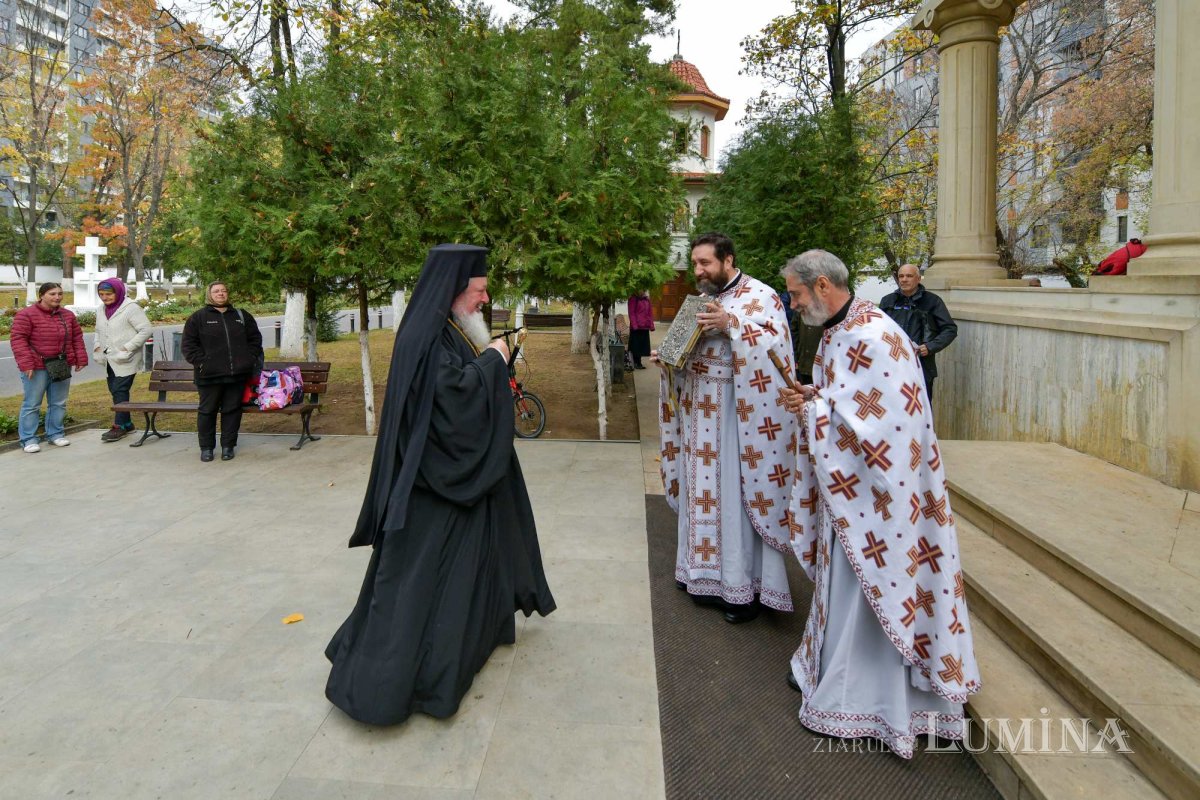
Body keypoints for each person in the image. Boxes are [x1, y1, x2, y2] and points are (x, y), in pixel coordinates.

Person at [325, 244, 556, 727]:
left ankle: (467, 646)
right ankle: (391, 685)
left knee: (463, 573)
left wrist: (489, 361)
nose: (485, 299)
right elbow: (454, 404)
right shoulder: (426, 336)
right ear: (453, 290)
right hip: (435, 485)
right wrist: (493, 360)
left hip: (452, 479)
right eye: (479, 290)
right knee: (417, 585)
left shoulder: (446, 327)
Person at [778, 249, 980, 758]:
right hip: (852, 491)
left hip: (881, 500)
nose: (793, 303)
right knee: (843, 588)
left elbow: (888, 426)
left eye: (797, 294)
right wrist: (815, 398)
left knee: (868, 591)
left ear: (822, 286)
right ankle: (828, 670)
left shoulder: (875, 335)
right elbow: (846, 400)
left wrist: (816, 409)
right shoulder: (839, 330)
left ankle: (868, 700)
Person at [655, 232, 796, 624]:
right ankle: (697, 574)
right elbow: (687, 352)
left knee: (732, 499)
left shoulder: (761, 296)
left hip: (738, 419)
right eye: (695, 264)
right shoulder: (701, 301)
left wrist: (732, 324)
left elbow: (777, 348)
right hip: (698, 414)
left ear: (728, 260)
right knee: (700, 496)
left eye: (706, 263)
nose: (698, 271)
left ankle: (740, 589)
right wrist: (667, 359)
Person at [180, 281, 263, 462]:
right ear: (209, 295)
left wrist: (248, 359)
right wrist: (203, 363)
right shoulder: (198, 318)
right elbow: (188, 345)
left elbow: (255, 340)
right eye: (216, 291)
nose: (221, 294)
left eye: (224, 290)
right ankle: (206, 448)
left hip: (236, 375)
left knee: (232, 410)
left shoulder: (241, 316)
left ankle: (228, 446)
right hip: (209, 376)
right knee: (207, 411)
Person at [10, 283, 88, 453]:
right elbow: (18, 339)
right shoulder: (26, 315)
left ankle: (55, 434)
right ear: (42, 295)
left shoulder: (67, 315)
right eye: (52, 294)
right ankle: (28, 439)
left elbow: (77, 337)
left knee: (58, 402)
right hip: (36, 366)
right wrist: (26, 364)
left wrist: (80, 358)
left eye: (60, 293)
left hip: (61, 364)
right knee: (32, 404)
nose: (57, 297)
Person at [878, 264, 957, 407]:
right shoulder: (887, 301)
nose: (904, 279)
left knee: (920, 409)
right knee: (892, 408)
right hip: (892, 365)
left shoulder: (933, 301)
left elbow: (950, 329)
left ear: (918, 279)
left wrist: (930, 347)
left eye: (909, 276)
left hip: (921, 366)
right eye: (901, 276)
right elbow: (877, 330)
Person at [93, 277, 152, 442]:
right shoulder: (101, 309)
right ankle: (127, 424)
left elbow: (146, 330)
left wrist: (128, 347)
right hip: (109, 358)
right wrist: (97, 345)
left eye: (108, 294)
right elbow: (98, 330)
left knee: (120, 389)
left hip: (126, 358)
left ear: (118, 292)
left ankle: (118, 426)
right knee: (115, 390)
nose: (105, 297)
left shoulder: (131, 308)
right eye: (101, 294)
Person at [627, 290, 655, 369]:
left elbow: (650, 313)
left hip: (645, 326)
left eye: (643, 290)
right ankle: (636, 363)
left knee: (642, 347)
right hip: (636, 327)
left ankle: (638, 362)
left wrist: (651, 325)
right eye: (640, 289)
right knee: (636, 347)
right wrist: (635, 325)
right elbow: (631, 313)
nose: (642, 291)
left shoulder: (646, 300)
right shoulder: (633, 299)